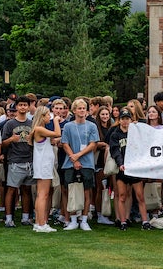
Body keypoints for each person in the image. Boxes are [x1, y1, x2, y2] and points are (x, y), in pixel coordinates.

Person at [108, 108, 152, 230]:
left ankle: (145, 221)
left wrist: (139, 126)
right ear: (119, 120)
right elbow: (115, 151)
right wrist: (120, 163)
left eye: (127, 119)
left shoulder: (135, 133)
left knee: (140, 196)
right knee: (122, 195)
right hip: (122, 169)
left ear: (131, 120)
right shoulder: (115, 134)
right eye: (123, 119)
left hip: (135, 169)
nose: (125, 121)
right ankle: (123, 221)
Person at [61, 98, 99, 231]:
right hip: (70, 162)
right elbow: (65, 143)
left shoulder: (92, 126)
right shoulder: (68, 126)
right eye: (79, 108)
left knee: (87, 191)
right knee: (72, 191)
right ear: (74, 110)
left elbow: (93, 143)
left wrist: (79, 155)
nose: (82, 110)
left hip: (87, 162)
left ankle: (84, 219)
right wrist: (74, 158)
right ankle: (72, 219)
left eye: (84, 108)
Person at [1, 95, 35, 227]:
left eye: (25, 105)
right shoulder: (10, 124)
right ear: (16, 106)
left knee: (26, 189)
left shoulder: (32, 124)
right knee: (12, 189)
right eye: (20, 105)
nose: (22, 107)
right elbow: (2, 143)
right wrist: (11, 140)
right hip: (15, 160)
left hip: (29, 159)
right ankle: (9, 218)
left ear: (28, 107)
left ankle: (25, 217)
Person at [29, 106, 59, 232]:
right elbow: (57, 133)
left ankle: (38, 222)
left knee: (41, 194)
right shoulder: (39, 129)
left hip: (43, 164)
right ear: (42, 117)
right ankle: (42, 223)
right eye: (48, 115)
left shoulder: (40, 130)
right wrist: (56, 121)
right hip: (43, 165)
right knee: (43, 194)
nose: (50, 117)